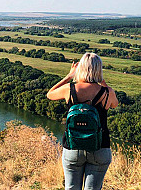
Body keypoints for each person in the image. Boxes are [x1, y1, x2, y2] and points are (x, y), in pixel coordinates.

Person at [47, 53, 118, 190]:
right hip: (100, 147)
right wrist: (102, 82)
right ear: (99, 70)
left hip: (73, 146)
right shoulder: (107, 92)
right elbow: (114, 105)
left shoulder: (70, 89)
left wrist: (69, 76)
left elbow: (50, 94)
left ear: (81, 69)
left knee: (71, 187)